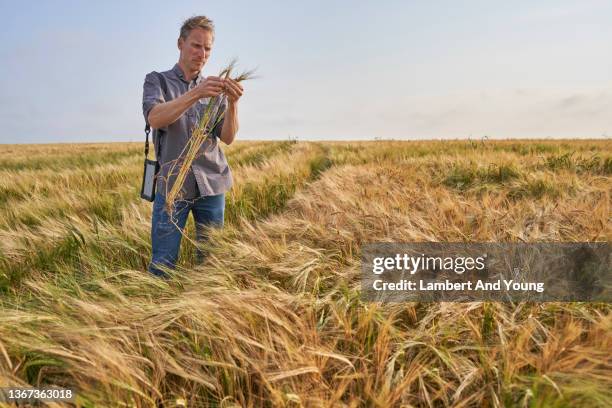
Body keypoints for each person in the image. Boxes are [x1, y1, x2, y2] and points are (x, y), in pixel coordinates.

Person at [142, 15, 244, 277]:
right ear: (180, 43)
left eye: (208, 48)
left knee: (211, 263)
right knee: (163, 264)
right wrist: (195, 94)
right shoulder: (157, 81)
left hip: (211, 184)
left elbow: (228, 137)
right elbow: (155, 117)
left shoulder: (216, 89)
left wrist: (233, 103)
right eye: (196, 45)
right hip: (171, 185)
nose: (202, 53)